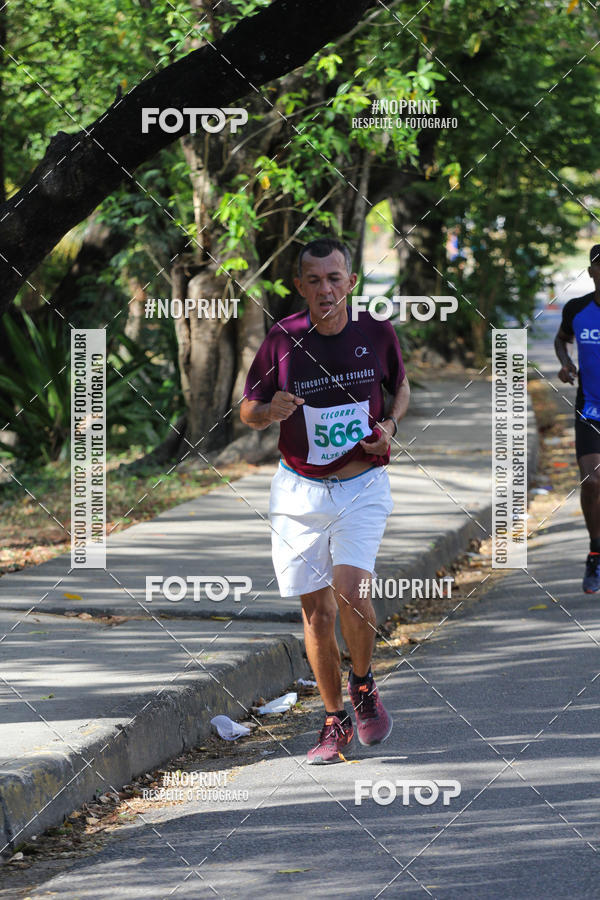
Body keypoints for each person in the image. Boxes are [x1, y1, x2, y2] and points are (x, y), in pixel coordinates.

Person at [240, 236, 410, 763]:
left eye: (334, 278)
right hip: (298, 490)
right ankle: (333, 719)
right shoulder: (282, 338)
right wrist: (271, 411)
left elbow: (400, 388)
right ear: (300, 287)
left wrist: (389, 427)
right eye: (313, 280)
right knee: (315, 611)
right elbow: (246, 409)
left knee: (351, 590)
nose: (325, 289)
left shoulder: (376, 333)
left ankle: (363, 684)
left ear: (351, 282)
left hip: (362, 485)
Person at [555, 244, 600, 593]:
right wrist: (566, 363)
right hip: (591, 408)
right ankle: (595, 552)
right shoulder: (577, 309)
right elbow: (561, 339)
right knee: (593, 481)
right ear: (591, 272)